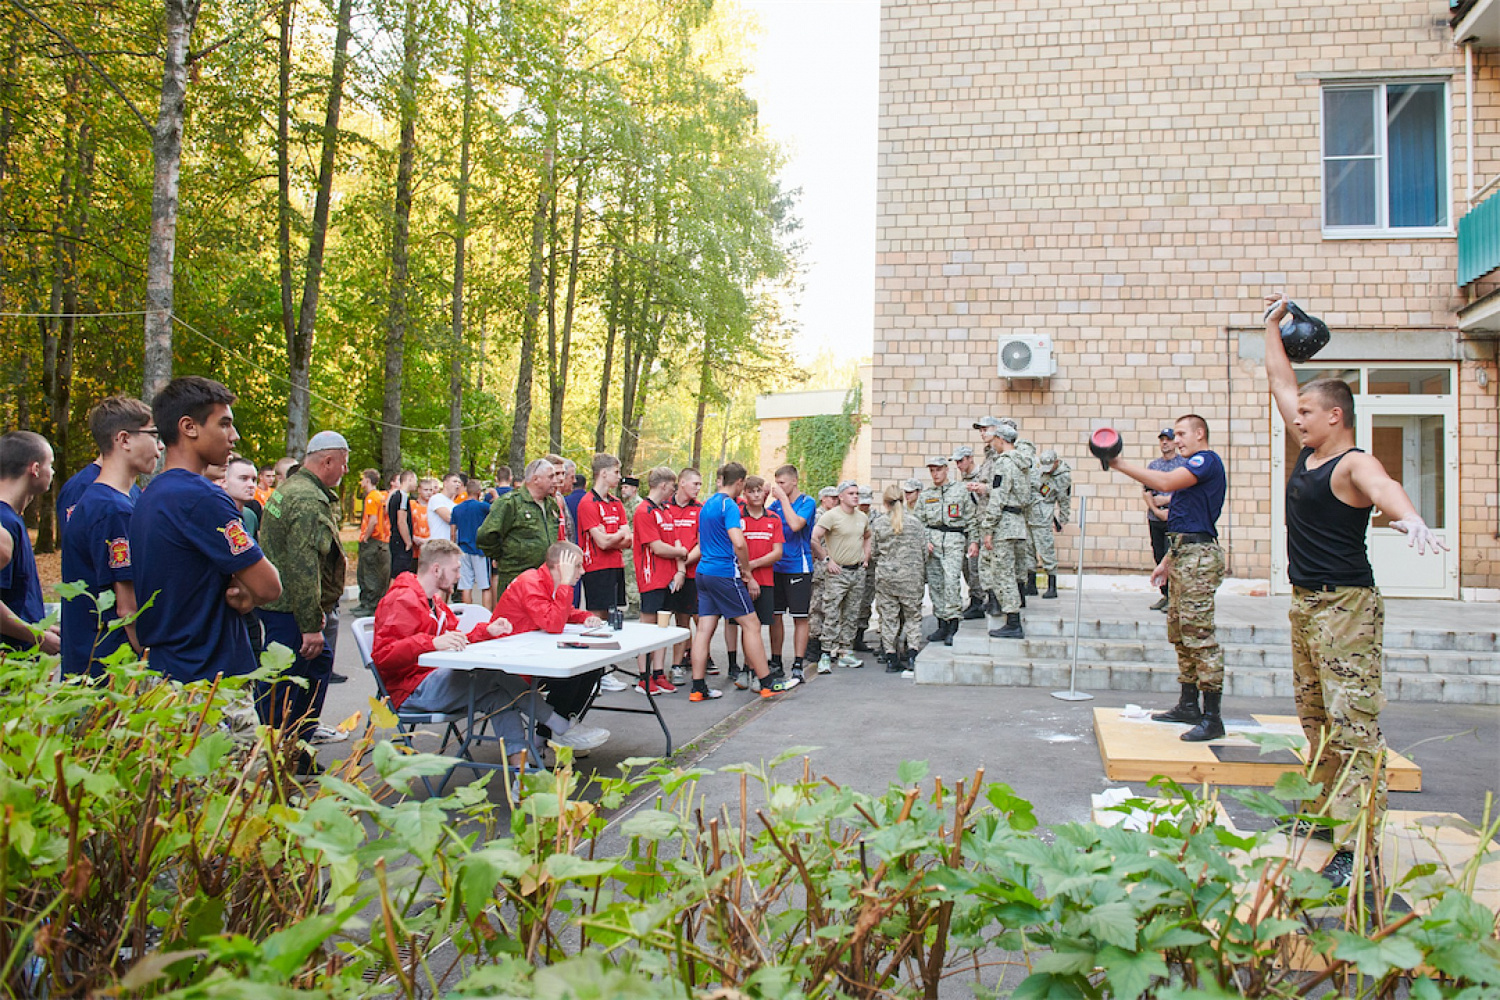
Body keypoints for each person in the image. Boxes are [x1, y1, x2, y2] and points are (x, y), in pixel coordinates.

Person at [1264, 294, 1445, 888]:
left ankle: (1358, 844)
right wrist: (1271, 326)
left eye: (1307, 414)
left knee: (1353, 727)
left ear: (1334, 417)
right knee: (1316, 721)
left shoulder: (1351, 462)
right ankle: (1325, 817)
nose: (1297, 418)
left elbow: (1383, 484)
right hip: (1305, 604)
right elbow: (1279, 377)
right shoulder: (1309, 452)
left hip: (1346, 607)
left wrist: (1409, 517)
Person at [372, 539, 608, 774]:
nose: (459, 576)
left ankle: (520, 772)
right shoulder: (402, 599)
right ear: (436, 570)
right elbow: (383, 657)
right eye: (455, 570)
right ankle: (560, 727)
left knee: (500, 696)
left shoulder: (434, 602)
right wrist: (431, 642)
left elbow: (455, 638)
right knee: (495, 674)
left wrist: (486, 631)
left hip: (432, 679)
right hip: (412, 691)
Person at [131, 377, 282, 683]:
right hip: (209, 678)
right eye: (224, 424)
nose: (234, 436)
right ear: (189, 427)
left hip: (167, 672)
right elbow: (270, 587)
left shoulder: (150, 496)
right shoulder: (202, 498)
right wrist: (249, 595)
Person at [1102, 414, 1228, 742]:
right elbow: (1187, 519)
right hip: (1184, 553)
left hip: (1199, 557)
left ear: (1200, 433)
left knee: (1199, 634)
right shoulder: (1191, 470)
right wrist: (1168, 560)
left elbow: (1165, 484)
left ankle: (1212, 716)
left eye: (1183, 434)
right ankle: (1189, 704)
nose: (1177, 440)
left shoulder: (1205, 461)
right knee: (1179, 630)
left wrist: (1117, 463)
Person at [255, 430, 350, 762]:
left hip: (280, 606)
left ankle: (293, 750)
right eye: (343, 463)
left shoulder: (292, 488)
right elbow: (303, 564)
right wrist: (310, 623)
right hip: (290, 611)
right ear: (327, 461)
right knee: (289, 684)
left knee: (297, 675)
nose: (345, 471)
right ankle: (285, 755)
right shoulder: (308, 499)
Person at [60, 397, 161, 676]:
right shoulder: (113, 510)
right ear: (124, 440)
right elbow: (127, 608)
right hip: (110, 667)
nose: (160, 447)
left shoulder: (106, 500)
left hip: (91, 660)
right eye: (154, 436)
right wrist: (151, 661)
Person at [685, 463, 800, 702]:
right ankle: (767, 683)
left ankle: (697, 688)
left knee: (704, 629)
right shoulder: (729, 506)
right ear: (739, 483)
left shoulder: (707, 504)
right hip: (724, 573)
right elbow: (738, 542)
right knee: (752, 625)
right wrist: (746, 570)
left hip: (704, 572)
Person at [0, 432, 59, 654]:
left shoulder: (11, 518)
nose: (52, 472)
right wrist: (37, 637)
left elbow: (13, 597)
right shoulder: (3, 522)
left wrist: (40, 626)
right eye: (50, 464)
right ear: (35, 469)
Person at [722, 475, 783, 689]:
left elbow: (777, 552)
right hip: (740, 581)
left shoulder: (773, 518)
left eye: (760, 491)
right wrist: (747, 575)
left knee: (758, 628)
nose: (756, 495)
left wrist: (752, 566)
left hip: (765, 581)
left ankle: (755, 671)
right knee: (745, 626)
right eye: (752, 491)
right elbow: (734, 549)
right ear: (744, 493)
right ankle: (746, 671)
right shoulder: (736, 516)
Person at [632, 466, 687, 695]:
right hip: (651, 576)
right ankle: (643, 677)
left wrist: (680, 570)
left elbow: (673, 543)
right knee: (648, 627)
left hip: (669, 577)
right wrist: (681, 552)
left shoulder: (666, 510)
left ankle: (658, 674)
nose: (674, 490)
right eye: (673, 485)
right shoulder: (643, 511)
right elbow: (657, 547)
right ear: (663, 485)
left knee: (663, 628)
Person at [810, 480, 870, 673]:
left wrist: (865, 558)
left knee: (852, 614)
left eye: (857, 493)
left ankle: (846, 651)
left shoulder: (862, 517)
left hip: (857, 571)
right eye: (851, 493)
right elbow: (813, 537)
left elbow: (867, 536)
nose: (855, 496)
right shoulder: (831, 516)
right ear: (841, 496)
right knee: (832, 612)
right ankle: (826, 653)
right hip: (838, 573)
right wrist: (827, 560)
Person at [477, 458, 560, 595]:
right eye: (551, 477)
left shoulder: (551, 504)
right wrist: (502, 556)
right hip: (516, 578)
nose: (555, 481)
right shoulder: (510, 503)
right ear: (535, 479)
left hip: (545, 578)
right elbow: (485, 535)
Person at [766, 464, 817, 683]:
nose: (778, 488)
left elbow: (796, 525)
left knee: (800, 617)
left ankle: (797, 663)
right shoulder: (775, 506)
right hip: (776, 567)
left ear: (794, 481)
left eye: (782, 483)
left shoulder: (807, 502)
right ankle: (776, 660)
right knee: (775, 616)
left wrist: (784, 500)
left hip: (799, 566)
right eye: (776, 483)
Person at [870, 483, 927, 675]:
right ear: (902, 500)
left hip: (886, 576)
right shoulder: (915, 523)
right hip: (911, 576)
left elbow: (874, 553)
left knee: (888, 617)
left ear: (885, 503)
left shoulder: (878, 524)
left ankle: (891, 657)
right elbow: (923, 550)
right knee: (913, 616)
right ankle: (912, 654)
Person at [916, 457, 973, 646]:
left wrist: (974, 542)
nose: (935, 474)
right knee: (935, 583)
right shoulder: (926, 495)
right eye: (932, 470)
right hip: (933, 541)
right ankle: (941, 623)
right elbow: (919, 522)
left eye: (938, 470)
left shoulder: (960, 490)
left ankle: (953, 624)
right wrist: (925, 540)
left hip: (954, 539)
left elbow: (971, 518)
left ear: (946, 470)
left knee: (951, 581)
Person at [981, 425, 1031, 639]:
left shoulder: (1004, 462)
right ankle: (1015, 613)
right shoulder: (1023, 463)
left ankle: (1013, 621)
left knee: (1002, 573)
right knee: (1014, 570)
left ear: (1001, 439)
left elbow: (998, 497)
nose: (992, 442)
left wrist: (988, 528)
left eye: (994, 439)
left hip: (1004, 524)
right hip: (1019, 522)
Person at [577, 454, 631, 617]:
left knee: (613, 616)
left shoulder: (616, 503)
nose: (620, 477)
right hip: (596, 567)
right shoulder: (588, 502)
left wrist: (612, 535)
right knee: (596, 616)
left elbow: (629, 539)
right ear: (603, 473)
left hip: (616, 565)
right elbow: (602, 543)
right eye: (616, 472)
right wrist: (618, 535)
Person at [666, 468, 703, 683]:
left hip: (689, 574)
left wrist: (683, 563)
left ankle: (677, 665)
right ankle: (653, 669)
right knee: (659, 620)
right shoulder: (664, 507)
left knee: (683, 619)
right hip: (664, 573)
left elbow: (702, 543)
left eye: (699, 484)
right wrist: (674, 564)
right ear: (681, 483)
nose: (698, 488)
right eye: (694, 484)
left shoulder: (700, 509)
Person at [1145, 428, 1188, 612]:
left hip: (1175, 518)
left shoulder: (1183, 464)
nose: (1165, 443)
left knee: (1172, 556)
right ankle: (1165, 594)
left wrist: (1167, 501)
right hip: (1156, 518)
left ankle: (1174, 597)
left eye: (1168, 440)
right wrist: (1156, 509)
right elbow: (1147, 491)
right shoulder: (1154, 466)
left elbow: (1186, 492)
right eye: (1162, 440)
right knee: (1158, 553)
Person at [804, 485, 840, 667]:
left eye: (836, 498)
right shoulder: (819, 517)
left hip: (830, 568)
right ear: (823, 499)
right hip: (819, 568)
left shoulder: (834, 516)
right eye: (832, 498)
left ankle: (824, 643)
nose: (835, 501)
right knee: (816, 607)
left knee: (829, 607)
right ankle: (812, 643)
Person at [951, 445, 987, 620]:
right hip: (965, 527)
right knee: (966, 567)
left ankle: (979, 600)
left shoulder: (981, 476)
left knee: (975, 567)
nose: (958, 465)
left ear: (970, 458)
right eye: (956, 462)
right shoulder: (962, 479)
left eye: (961, 461)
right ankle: (975, 598)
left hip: (979, 528)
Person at [1031, 449, 1072, 599]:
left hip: (1044, 516)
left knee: (1046, 550)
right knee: (1029, 550)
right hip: (1031, 514)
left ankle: (1052, 585)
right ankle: (1031, 584)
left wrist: (1062, 519)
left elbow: (1064, 500)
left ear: (1056, 462)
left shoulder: (1063, 477)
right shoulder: (1039, 469)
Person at [451, 477, 493, 608]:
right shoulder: (483, 507)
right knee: (485, 586)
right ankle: (486, 616)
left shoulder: (457, 509)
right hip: (480, 550)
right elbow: (498, 511)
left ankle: (468, 614)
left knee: (466, 586)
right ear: (479, 492)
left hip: (463, 550)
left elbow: (453, 532)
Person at [353, 469, 390, 616]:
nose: (361, 483)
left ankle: (370, 605)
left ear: (368, 481)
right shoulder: (379, 496)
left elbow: (373, 520)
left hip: (373, 540)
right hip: (380, 539)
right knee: (370, 572)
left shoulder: (371, 498)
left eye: (362, 480)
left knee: (368, 573)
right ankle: (365, 603)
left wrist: (366, 537)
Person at [851, 486, 878, 654]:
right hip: (853, 563)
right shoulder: (850, 516)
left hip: (871, 566)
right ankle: (845, 639)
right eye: (862, 503)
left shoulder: (878, 518)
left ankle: (859, 637)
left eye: (867, 503)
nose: (865, 506)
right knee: (850, 603)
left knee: (866, 602)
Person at [619, 475, 642, 618]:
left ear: (634, 489)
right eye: (622, 487)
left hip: (633, 546)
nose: (623, 490)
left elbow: (637, 528)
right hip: (626, 546)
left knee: (632, 576)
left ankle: (635, 606)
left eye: (626, 487)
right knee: (628, 575)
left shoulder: (637, 505)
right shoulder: (627, 504)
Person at [388, 470, 417, 580]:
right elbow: (401, 521)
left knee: (396, 570)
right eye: (415, 480)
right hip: (400, 540)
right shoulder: (403, 496)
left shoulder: (394, 495)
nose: (416, 484)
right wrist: (408, 542)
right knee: (399, 572)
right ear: (409, 479)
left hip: (395, 539)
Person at [427, 473, 461, 544]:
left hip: (451, 544)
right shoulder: (436, 499)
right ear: (445, 483)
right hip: (438, 543)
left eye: (459, 482)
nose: (457, 484)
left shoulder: (455, 505)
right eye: (454, 481)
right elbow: (449, 518)